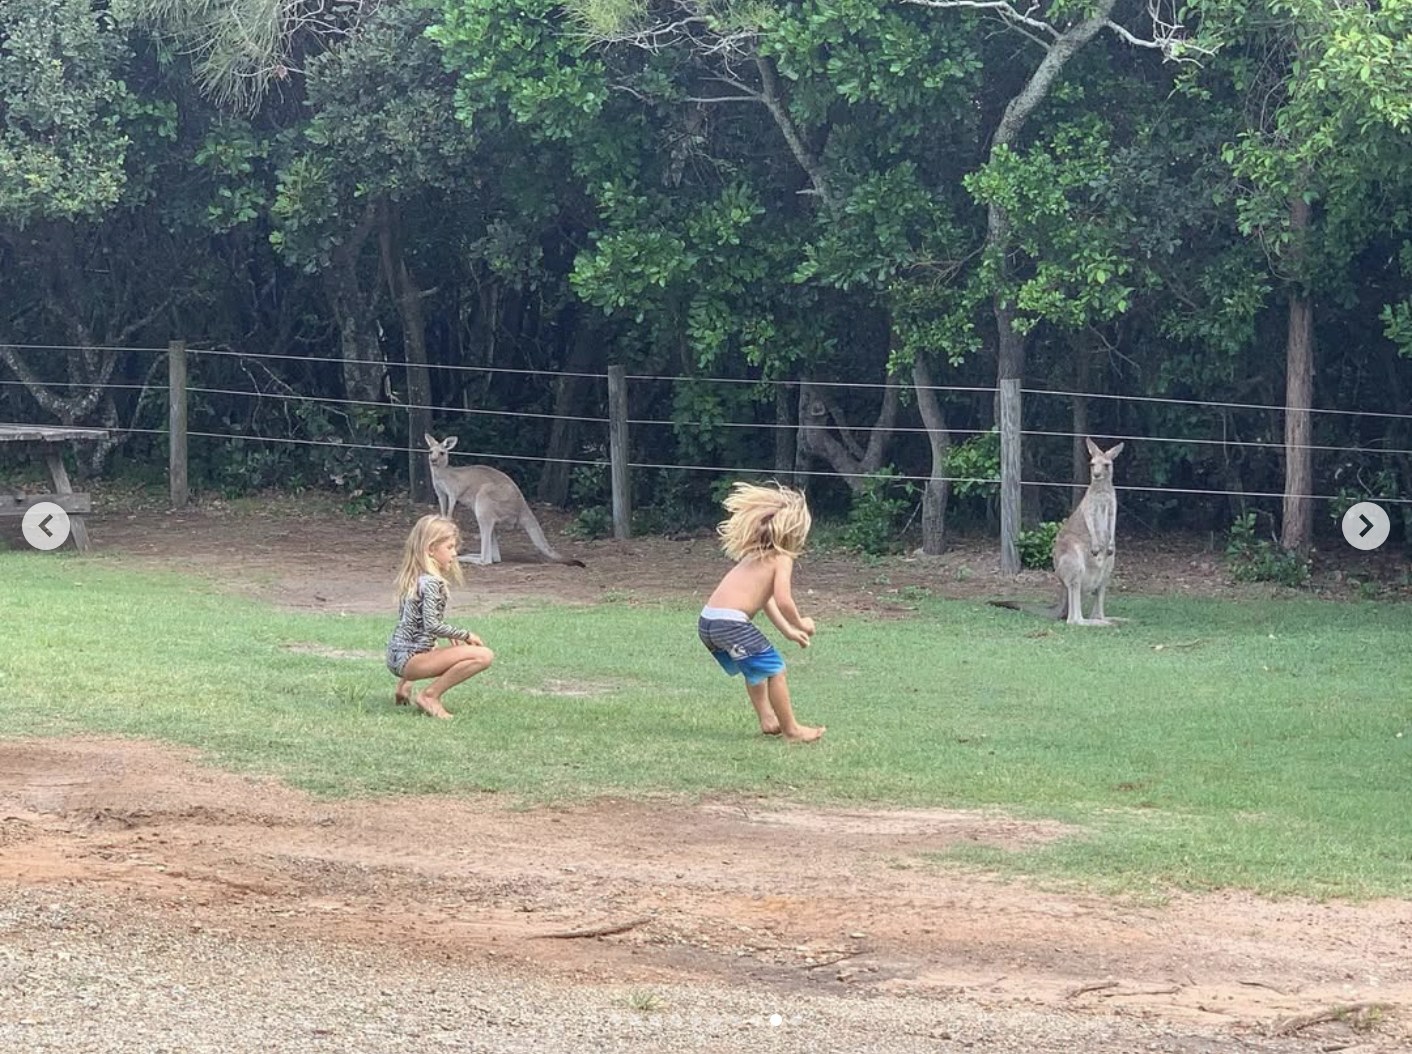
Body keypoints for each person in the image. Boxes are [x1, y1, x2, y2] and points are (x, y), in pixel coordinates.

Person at [698, 481, 825, 742]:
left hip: (709, 622)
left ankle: (768, 719)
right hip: (731, 624)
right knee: (775, 669)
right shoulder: (781, 558)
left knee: (755, 668)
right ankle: (792, 730)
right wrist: (801, 622)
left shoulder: (753, 555)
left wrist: (789, 631)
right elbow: (783, 600)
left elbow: (765, 601)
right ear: (794, 531)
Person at [386, 514, 494, 720]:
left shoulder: (414, 578)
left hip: (395, 656)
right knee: (483, 655)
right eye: (450, 547)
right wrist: (465, 634)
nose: (454, 554)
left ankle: (404, 686)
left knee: (435, 645)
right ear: (430, 549)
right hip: (410, 661)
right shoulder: (433, 583)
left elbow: (412, 624)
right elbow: (432, 624)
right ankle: (430, 696)